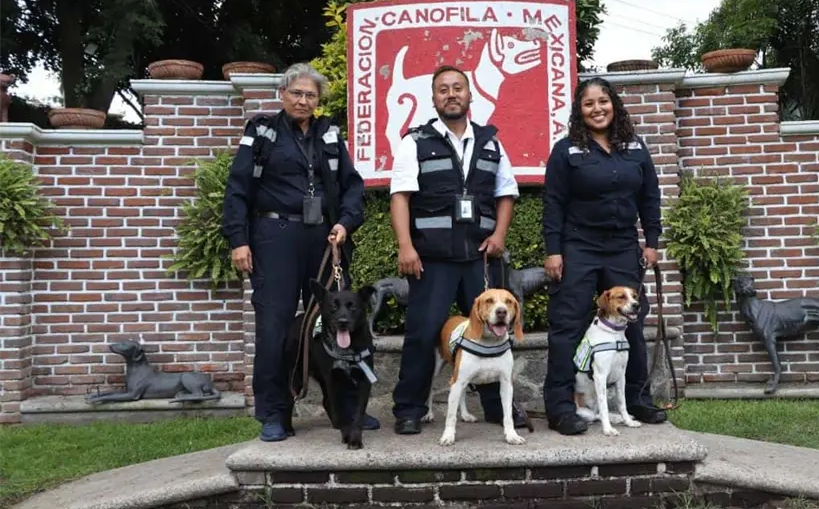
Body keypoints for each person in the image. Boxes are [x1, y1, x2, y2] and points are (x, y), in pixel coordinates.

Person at [222, 62, 378, 442]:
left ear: (318, 100)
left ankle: (343, 410)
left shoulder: (329, 134)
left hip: (324, 238)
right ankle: (275, 413)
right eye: (297, 93)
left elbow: (352, 186)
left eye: (310, 95)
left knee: (335, 322)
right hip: (274, 236)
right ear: (282, 94)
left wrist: (345, 222)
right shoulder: (260, 131)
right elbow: (238, 187)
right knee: (275, 328)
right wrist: (238, 240)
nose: (303, 100)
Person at [388, 64, 529, 435]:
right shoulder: (414, 141)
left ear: (470, 95)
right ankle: (409, 409)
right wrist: (405, 246)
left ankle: (500, 410)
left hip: (480, 257)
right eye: (443, 89)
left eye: (458, 88)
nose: (451, 94)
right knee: (421, 334)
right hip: (431, 259)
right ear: (433, 98)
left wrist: (499, 235)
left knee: (494, 331)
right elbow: (400, 196)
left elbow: (506, 193)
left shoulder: (491, 141)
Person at [541, 76, 669, 436]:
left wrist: (652, 241)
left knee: (631, 323)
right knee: (568, 327)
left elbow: (650, 198)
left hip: (622, 247)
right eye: (589, 103)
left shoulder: (636, 148)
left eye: (603, 101)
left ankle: (638, 401)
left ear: (614, 104)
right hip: (578, 246)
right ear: (579, 111)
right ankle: (562, 408)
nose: (598, 109)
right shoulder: (566, 150)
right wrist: (554, 251)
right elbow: (553, 203)